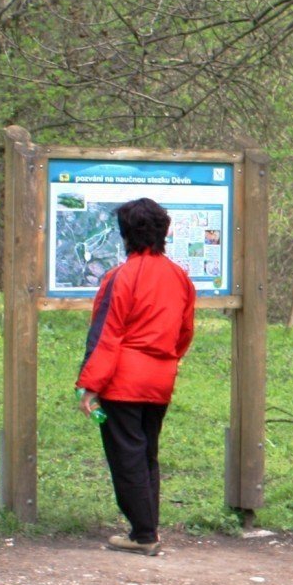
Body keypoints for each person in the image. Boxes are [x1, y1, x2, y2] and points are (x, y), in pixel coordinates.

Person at [76, 198, 198, 555]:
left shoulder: (120, 277)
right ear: (165, 231)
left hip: (123, 381)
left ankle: (143, 535)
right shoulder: (180, 277)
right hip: (160, 380)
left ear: (125, 234)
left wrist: (89, 386)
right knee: (146, 454)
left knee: (126, 455)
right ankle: (147, 529)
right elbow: (184, 332)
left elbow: (106, 334)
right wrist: (163, 360)